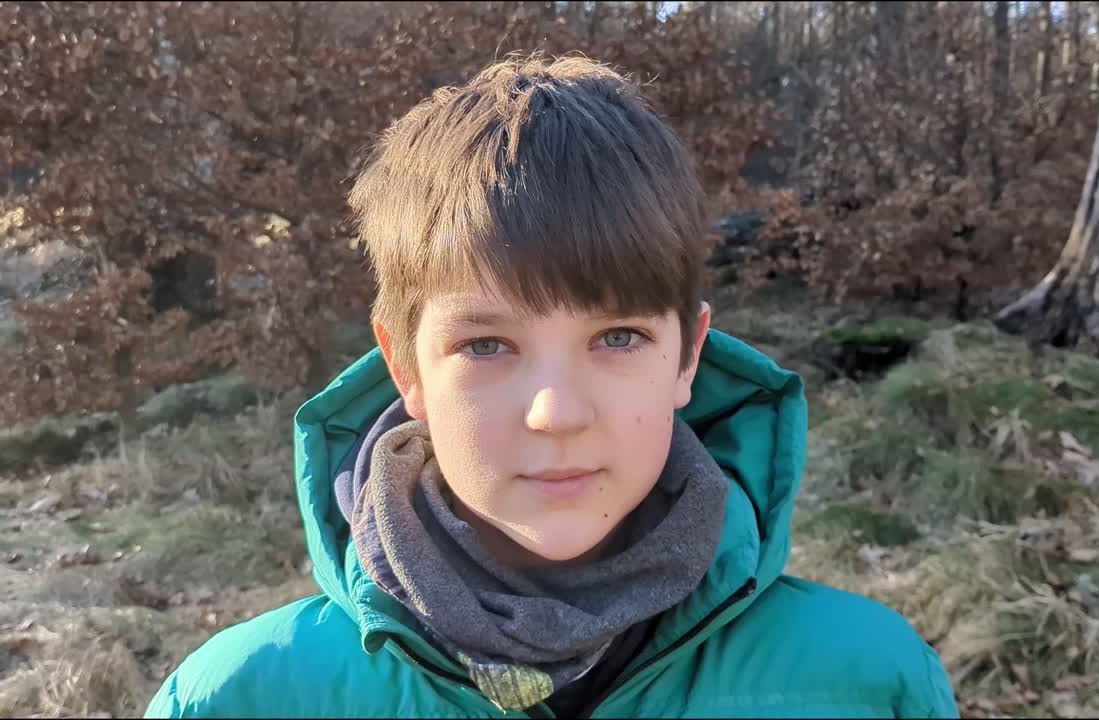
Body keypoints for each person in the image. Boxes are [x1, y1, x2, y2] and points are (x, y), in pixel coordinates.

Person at [145, 55, 958, 718]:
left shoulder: (867, 683)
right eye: (488, 344)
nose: (557, 413)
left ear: (687, 358)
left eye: (617, 337)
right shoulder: (240, 697)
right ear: (404, 365)